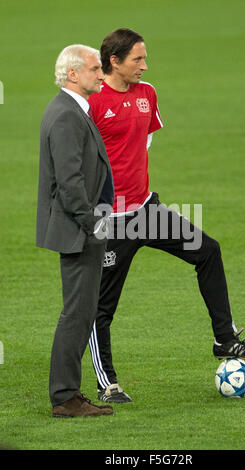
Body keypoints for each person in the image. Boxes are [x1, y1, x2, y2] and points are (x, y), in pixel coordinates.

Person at [88, 29, 245, 403]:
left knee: (208, 250)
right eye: (137, 59)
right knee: (101, 307)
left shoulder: (146, 93)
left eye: (145, 57)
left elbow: (142, 141)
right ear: (114, 62)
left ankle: (225, 340)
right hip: (111, 220)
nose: (144, 65)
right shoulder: (92, 103)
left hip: (146, 210)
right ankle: (108, 384)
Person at [36, 44, 115, 417]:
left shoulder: (71, 109)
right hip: (79, 230)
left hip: (82, 228)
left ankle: (68, 393)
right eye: (95, 68)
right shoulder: (67, 115)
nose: (102, 74)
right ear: (73, 74)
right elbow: (69, 183)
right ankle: (65, 397)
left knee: (81, 311)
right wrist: (94, 224)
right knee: (77, 313)